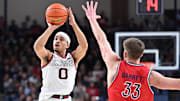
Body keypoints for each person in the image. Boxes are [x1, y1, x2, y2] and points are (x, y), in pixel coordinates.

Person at [82, 1, 180, 101]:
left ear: (125, 53)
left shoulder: (114, 66)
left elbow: (101, 39)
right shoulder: (150, 75)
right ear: (141, 55)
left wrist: (92, 20)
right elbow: (177, 84)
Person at [33, 8, 88, 101]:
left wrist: (74, 25)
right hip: (49, 99)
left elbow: (84, 46)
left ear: (68, 45)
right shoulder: (48, 57)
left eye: (61, 39)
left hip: (66, 98)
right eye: (56, 39)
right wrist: (51, 28)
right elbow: (37, 47)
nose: (57, 41)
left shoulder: (73, 58)